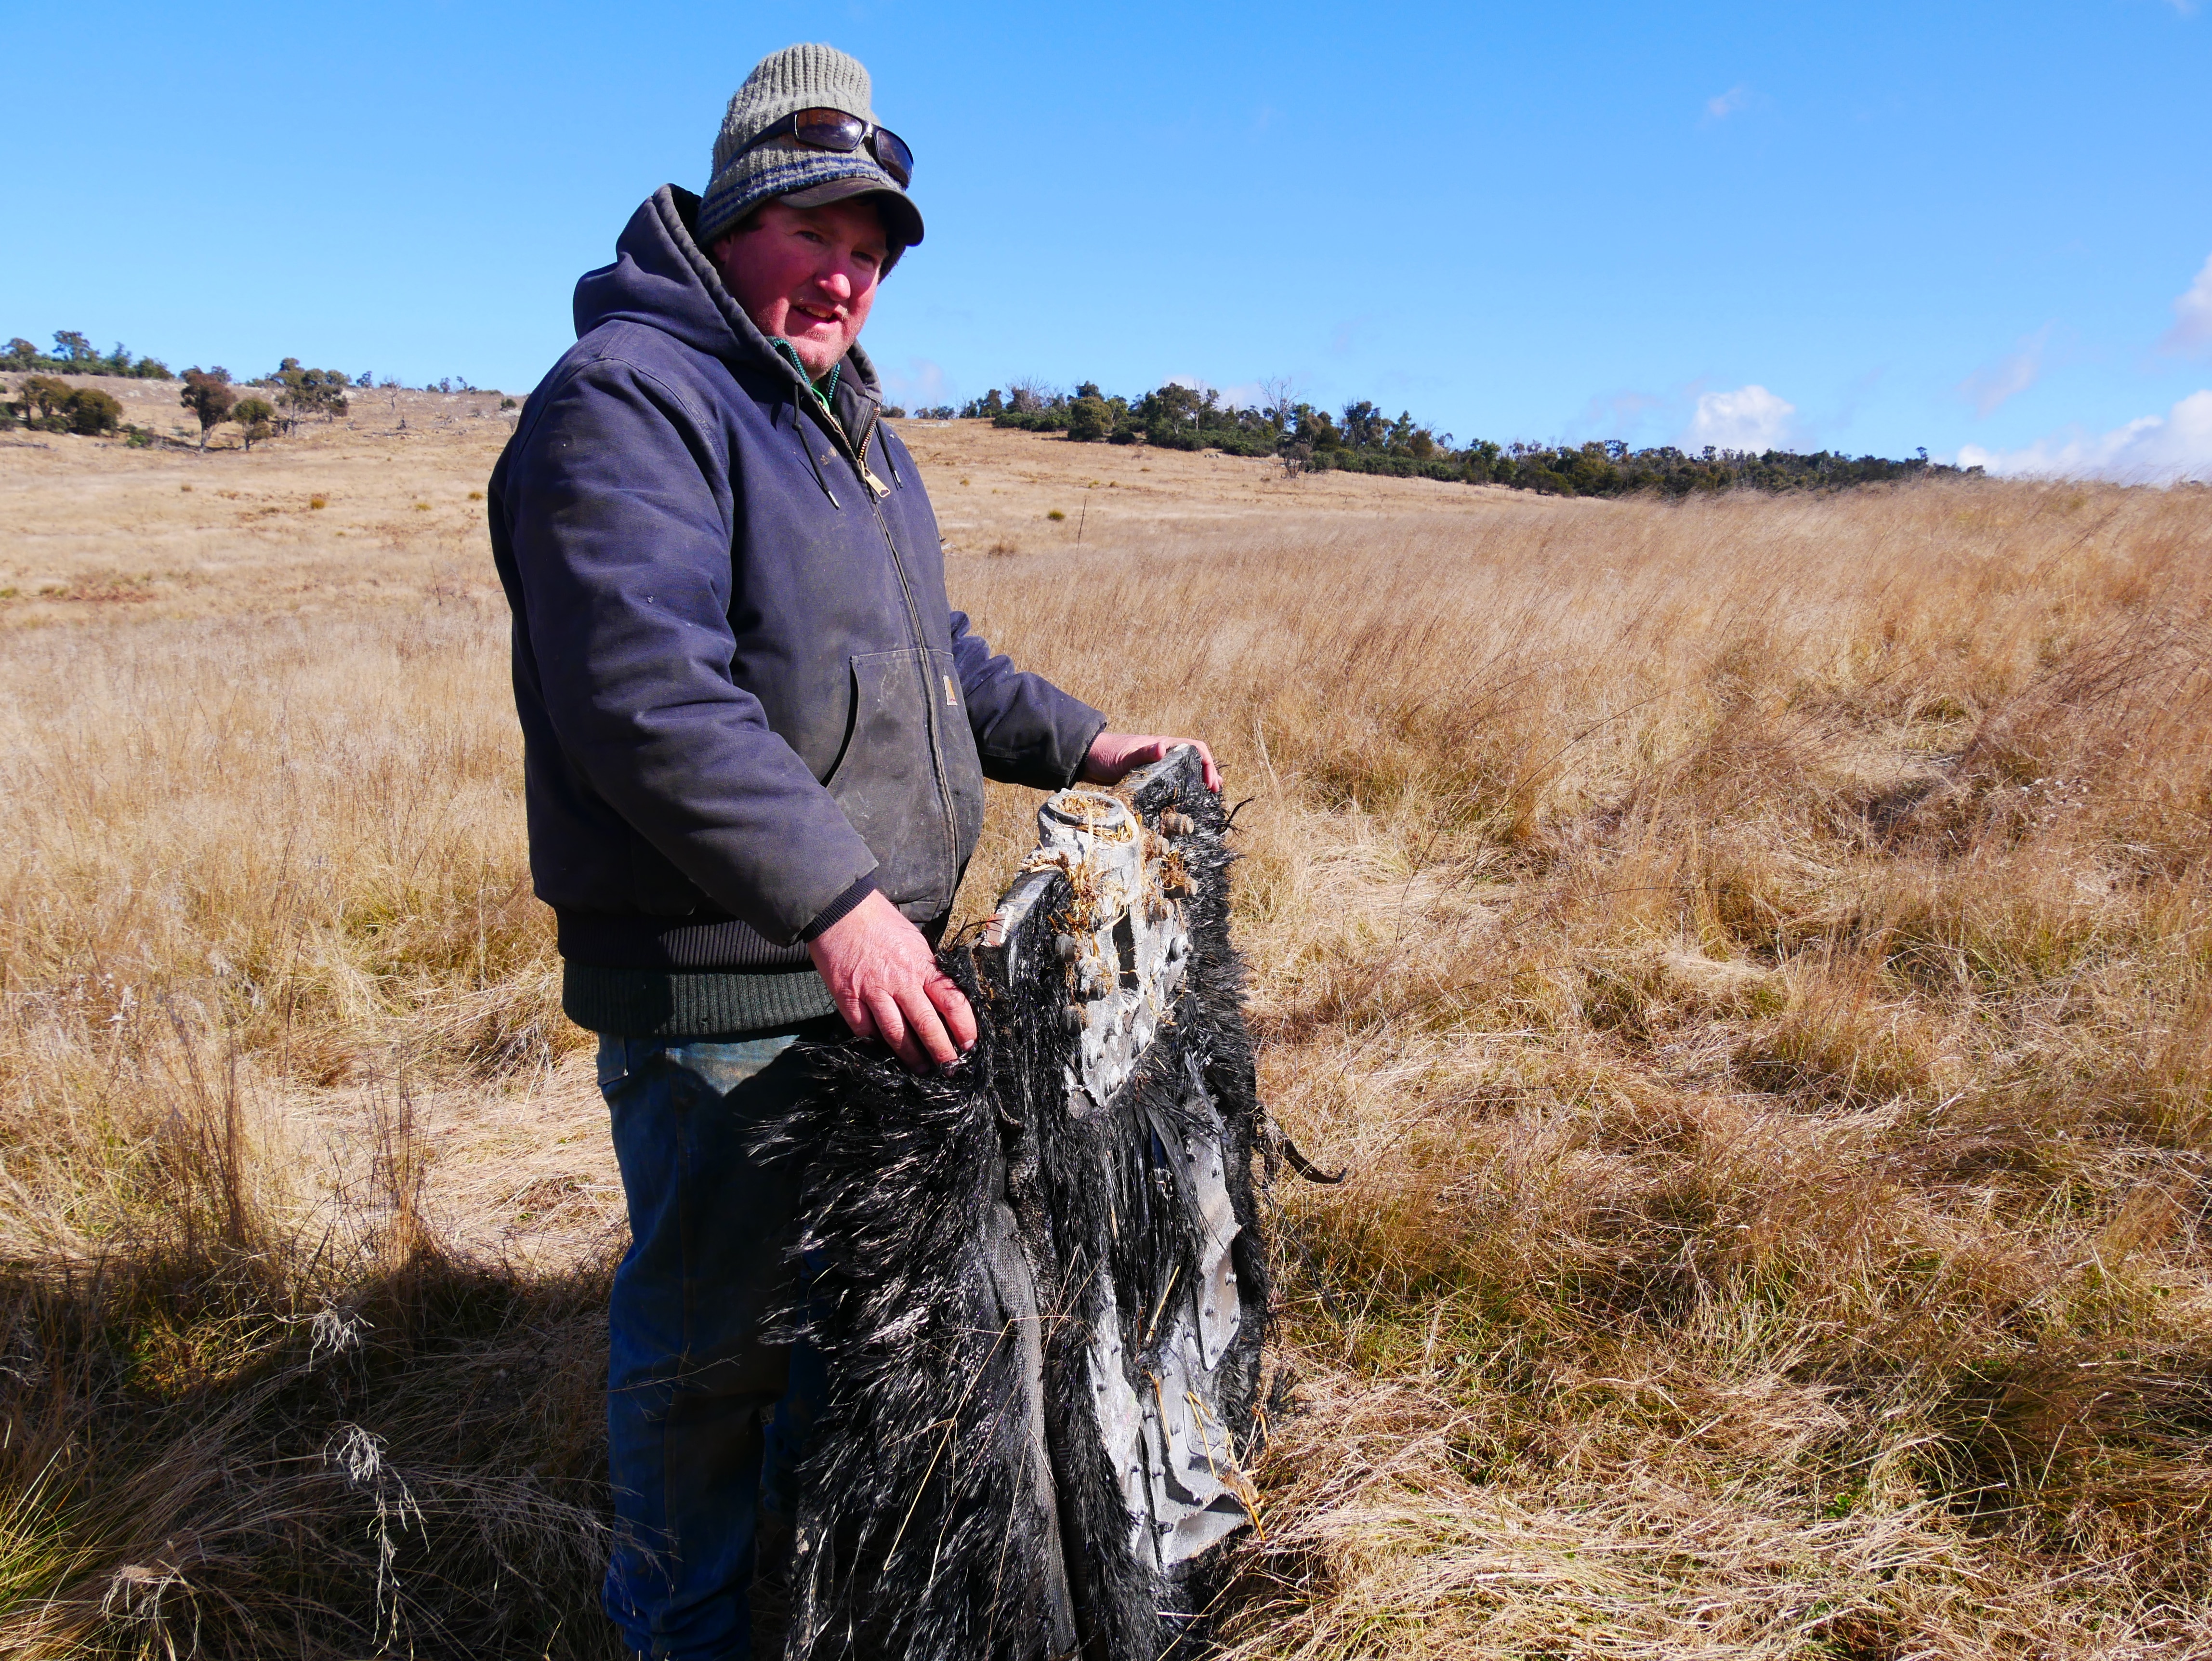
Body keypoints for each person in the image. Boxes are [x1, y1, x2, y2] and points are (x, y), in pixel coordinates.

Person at [487, 41, 1217, 1661]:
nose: (847, 275)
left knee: (840, 1333)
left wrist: (1090, 742)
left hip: (860, 974)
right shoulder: (631, 401)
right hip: (728, 992)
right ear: (730, 219)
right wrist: (838, 903)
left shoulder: (851, 429)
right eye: (814, 231)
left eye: (873, 247)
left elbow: (933, 662)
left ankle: (799, 1609)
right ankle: (679, 1634)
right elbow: (645, 694)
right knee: (712, 1357)